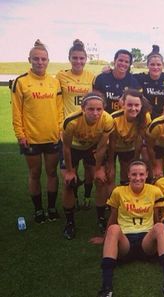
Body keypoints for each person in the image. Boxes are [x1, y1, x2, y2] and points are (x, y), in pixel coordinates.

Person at [91, 160, 164, 297]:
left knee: (160, 226)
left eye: (141, 174)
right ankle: (106, 289)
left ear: (147, 174)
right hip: (125, 241)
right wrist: (105, 238)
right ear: (128, 175)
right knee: (114, 229)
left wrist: (160, 239)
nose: (138, 178)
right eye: (134, 174)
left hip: (146, 242)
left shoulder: (154, 191)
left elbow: (156, 217)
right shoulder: (118, 192)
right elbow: (113, 216)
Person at [11, 39, 63, 223]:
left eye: (43, 59)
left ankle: (51, 208)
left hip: (52, 137)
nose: (40, 62)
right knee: (34, 173)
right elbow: (16, 111)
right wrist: (20, 134)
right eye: (36, 59)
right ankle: (38, 210)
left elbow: (59, 109)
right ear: (30, 60)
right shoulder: (21, 82)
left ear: (48, 60)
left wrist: (59, 130)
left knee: (51, 173)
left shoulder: (54, 82)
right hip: (31, 138)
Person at [61, 92, 114, 239]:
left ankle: (101, 218)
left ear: (103, 109)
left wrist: (98, 170)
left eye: (99, 109)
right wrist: (70, 171)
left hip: (91, 148)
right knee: (69, 183)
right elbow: (65, 148)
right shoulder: (71, 121)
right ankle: (70, 222)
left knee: (101, 180)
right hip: (73, 148)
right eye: (91, 109)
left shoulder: (108, 120)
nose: (95, 113)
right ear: (83, 108)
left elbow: (102, 147)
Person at [57, 39, 96, 209]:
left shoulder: (91, 77)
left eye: (81, 58)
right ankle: (73, 199)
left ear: (86, 59)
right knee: (70, 173)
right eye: (75, 58)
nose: (78, 61)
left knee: (90, 170)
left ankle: (87, 196)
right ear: (69, 58)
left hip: (88, 131)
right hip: (69, 130)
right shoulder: (60, 76)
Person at [108, 89, 151, 190]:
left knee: (126, 173)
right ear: (123, 105)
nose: (133, 108)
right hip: (112, 148)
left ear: (141, 105)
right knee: (109, 176)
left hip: (128, 148)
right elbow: (111, 143)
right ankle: (109, 202)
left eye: (137, 105)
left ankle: (126, 197)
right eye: (129, 105)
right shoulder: (114, 118)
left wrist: (135, 159)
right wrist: (110, 163)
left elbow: (140, 140)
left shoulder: (145, 117)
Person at [93, 49, 141, 114]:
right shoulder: (101, 78)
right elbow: (95, 100)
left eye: (126, 62)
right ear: (115, 60)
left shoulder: (133, 81)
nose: (123, 63)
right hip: (103, 116)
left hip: (123, 117)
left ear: (130, 64)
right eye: (120, 60)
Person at [133, 45, 164, 119]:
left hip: (163, 116)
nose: (155, 67)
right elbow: (125, 74)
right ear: (147, 65)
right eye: (152, 64)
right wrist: (109, 70)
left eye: (158, 65)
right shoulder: (140, 77)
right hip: (145, 116)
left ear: (163, 65)